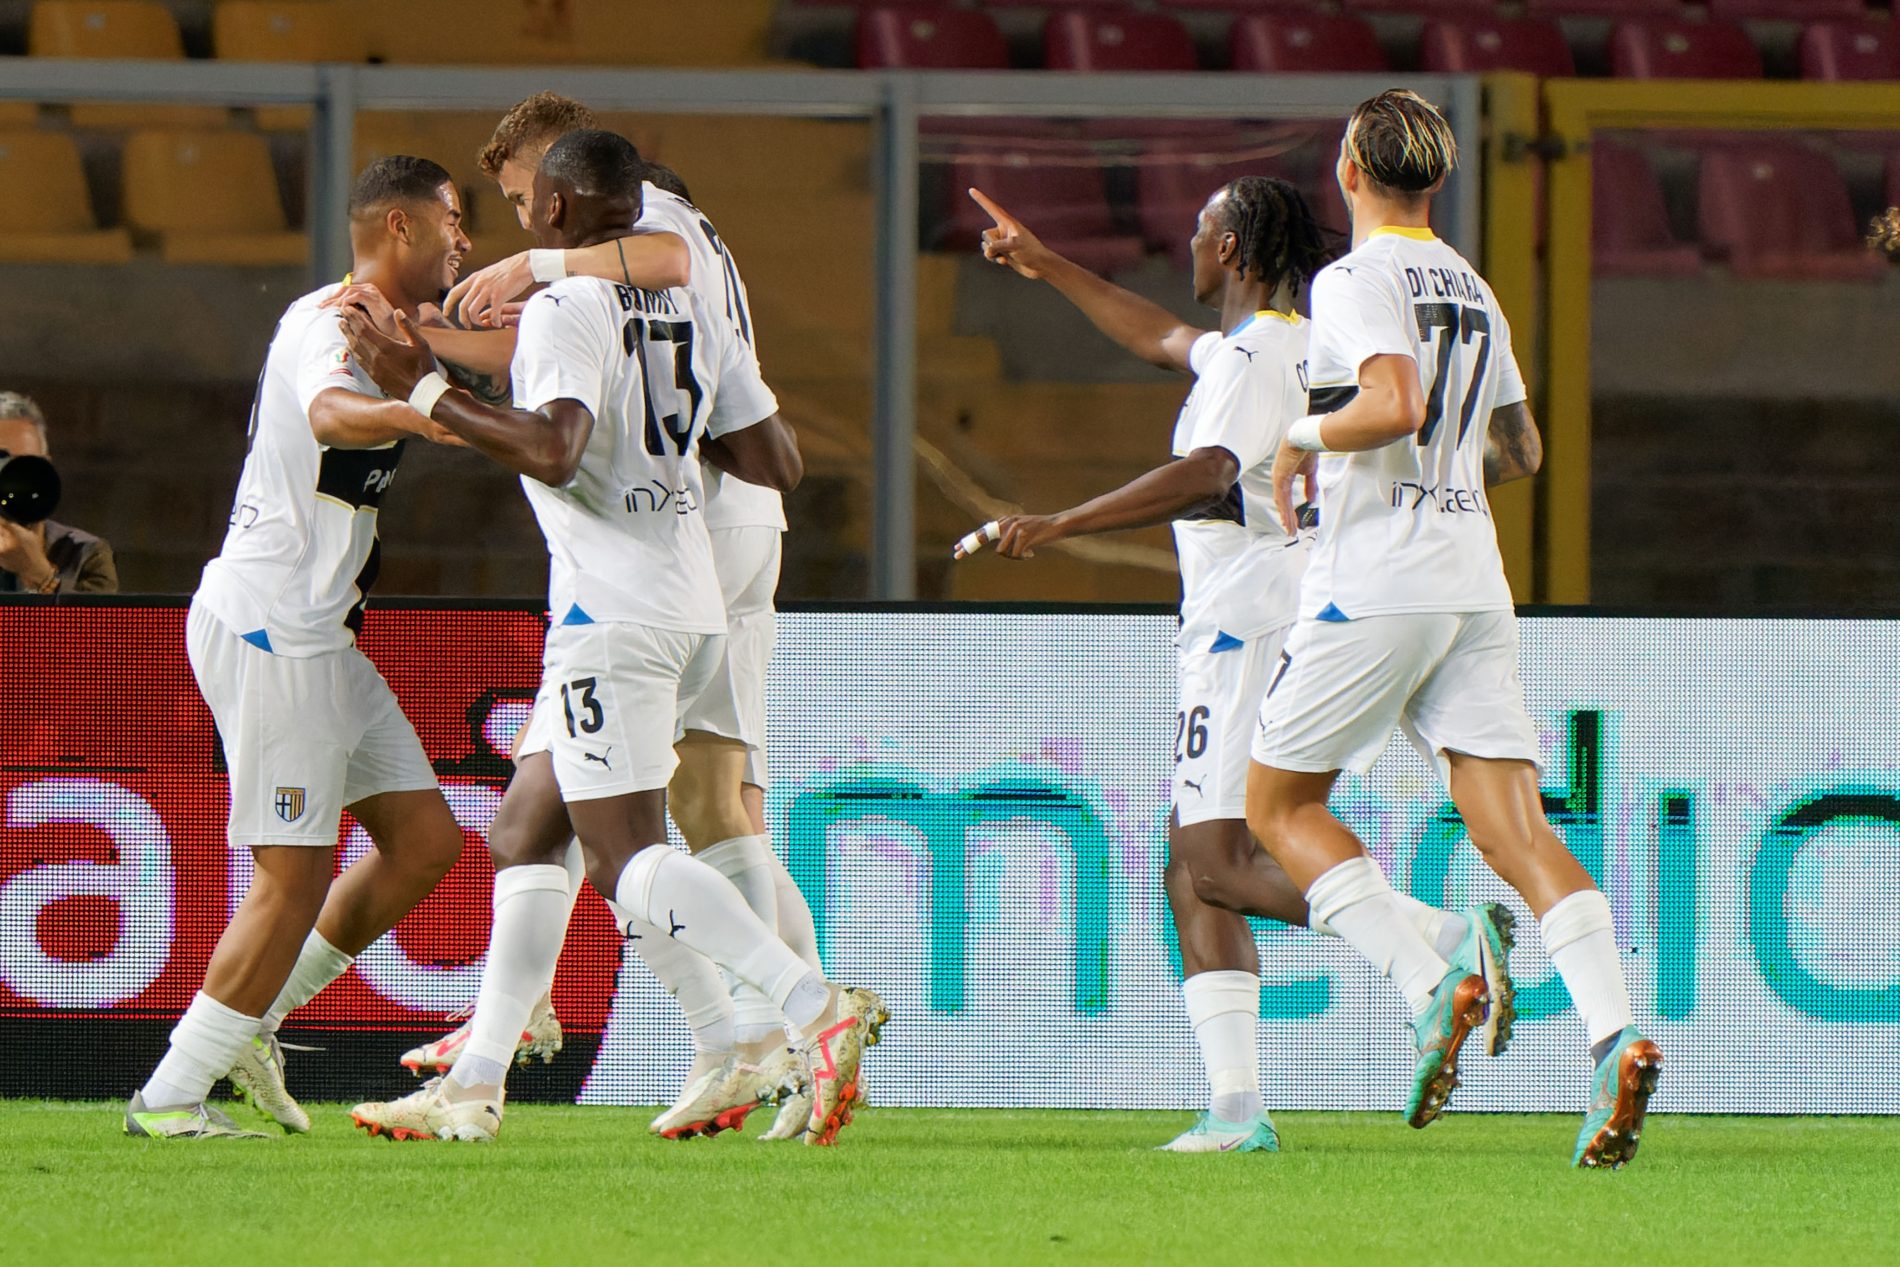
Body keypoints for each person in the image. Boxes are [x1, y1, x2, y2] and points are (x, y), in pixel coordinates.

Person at [339, 128, 884, 1147]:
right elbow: (772, 455)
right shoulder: (687, 304)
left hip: (613, 610)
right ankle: (478, 1083)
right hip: (690, 592)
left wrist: (422, 386)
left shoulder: (565, 304)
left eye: (523, 205)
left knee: (626, 853)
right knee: (526, 828)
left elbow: (553, 447)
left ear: (554, 210)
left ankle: (806, 1010)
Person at [962, 178, 1512, 1153]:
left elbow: (1209, 472)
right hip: (1276, 612)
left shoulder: (1255, 357)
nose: (1189, 239)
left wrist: (1059, 523)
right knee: (1193, 867)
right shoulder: (1281, 346)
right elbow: (1158, 337)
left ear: (1234, 248)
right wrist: (1045, 265)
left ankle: (1432, 952)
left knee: (1217, 860)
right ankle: (1235, 1104)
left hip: (1246, 625)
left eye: (1203, 226)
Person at [1245, 89, 1659, 1169]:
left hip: (1377, 582)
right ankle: (1612, 1036)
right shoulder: (1473, 286)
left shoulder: (1351, 280)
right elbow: (1519, 451)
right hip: (1473, 581)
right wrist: (1436, 480)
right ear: (1437, 177)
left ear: (1349, 168)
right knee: (1515, 833)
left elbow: (1393, 404)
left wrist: (1300, 441)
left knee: (1277, 805)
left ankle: (1429, 979)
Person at [123, 157, 476, 1139]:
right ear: (398, 224)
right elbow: (327, 413)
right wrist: (420, 411)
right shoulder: (330, 320)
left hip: (319, 639)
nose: (465, 238)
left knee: (424, 843)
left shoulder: (395, 329)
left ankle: (252, 1024)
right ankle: (168, 1097)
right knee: (291, 877)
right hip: (274, 629)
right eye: (453, 217)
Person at [0, 392, 118, 594]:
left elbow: (97, 615)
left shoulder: (85, 554)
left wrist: (40, 574)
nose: (13, 477)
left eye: (26, 463)